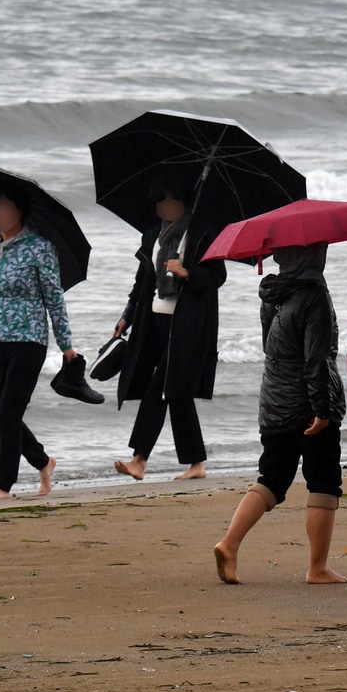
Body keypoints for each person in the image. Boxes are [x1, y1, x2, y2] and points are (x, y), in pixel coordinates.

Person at [213, 243, 347, 585]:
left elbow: (269, 347)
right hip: (306, 403)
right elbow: (315, 360)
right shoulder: (314, 295)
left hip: (274, 398)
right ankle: (317, 568)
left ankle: (229, 543)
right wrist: (321, 409)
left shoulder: (273, 291)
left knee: (272, 477)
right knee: (324, 482)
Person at [111, 172, 226, 481]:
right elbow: (142, 279)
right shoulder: (153, 236)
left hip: (187, 324)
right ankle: (197, 464)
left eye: (171, 203)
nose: (166, 209)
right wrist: (128, 315)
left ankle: (140, 459)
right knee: (175, 392)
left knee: (159, 388)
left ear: (183, 202)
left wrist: (187, 272)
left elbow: (217, 277)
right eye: (160, 204)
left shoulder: (201, 234)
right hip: (153, 321)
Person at [0, 182, 75, 501]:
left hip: (28, 337)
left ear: (19, 211)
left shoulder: (40, 247)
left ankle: (3, 484)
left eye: (5, 208)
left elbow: (55, 298)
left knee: (10, 411)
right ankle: (43, 461)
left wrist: (66, 344)